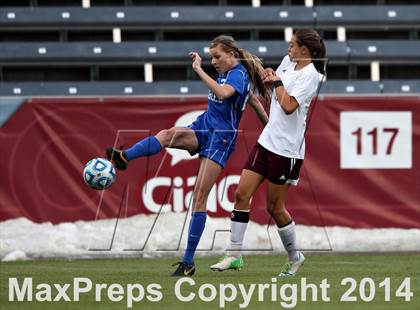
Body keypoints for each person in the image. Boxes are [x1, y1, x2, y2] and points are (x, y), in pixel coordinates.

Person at [106, 34, 269, 276]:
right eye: (211, 57)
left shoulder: (237, 73)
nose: (213, 61)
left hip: (221, 138)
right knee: (167, 134)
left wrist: (198, 69)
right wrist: (270, 126)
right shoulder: (229, 73)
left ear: (231, 54)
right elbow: (251, 99)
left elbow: (224, 94)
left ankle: (188, 262)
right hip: (204, 127)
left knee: (199, 196)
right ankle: (124, 158)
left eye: (217, 56)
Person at [210, 29, 326, 277]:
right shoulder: (288, 63)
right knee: (241, 194)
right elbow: (276, 91)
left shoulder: (312, 75)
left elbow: (289, 106)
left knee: (275, 208)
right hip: (267, 142)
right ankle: (234, 255)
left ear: (304, 50)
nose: (289, 49)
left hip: (287, 151)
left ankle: (295, 257)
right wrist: (270, 78)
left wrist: (277, 82)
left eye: (293, 45)